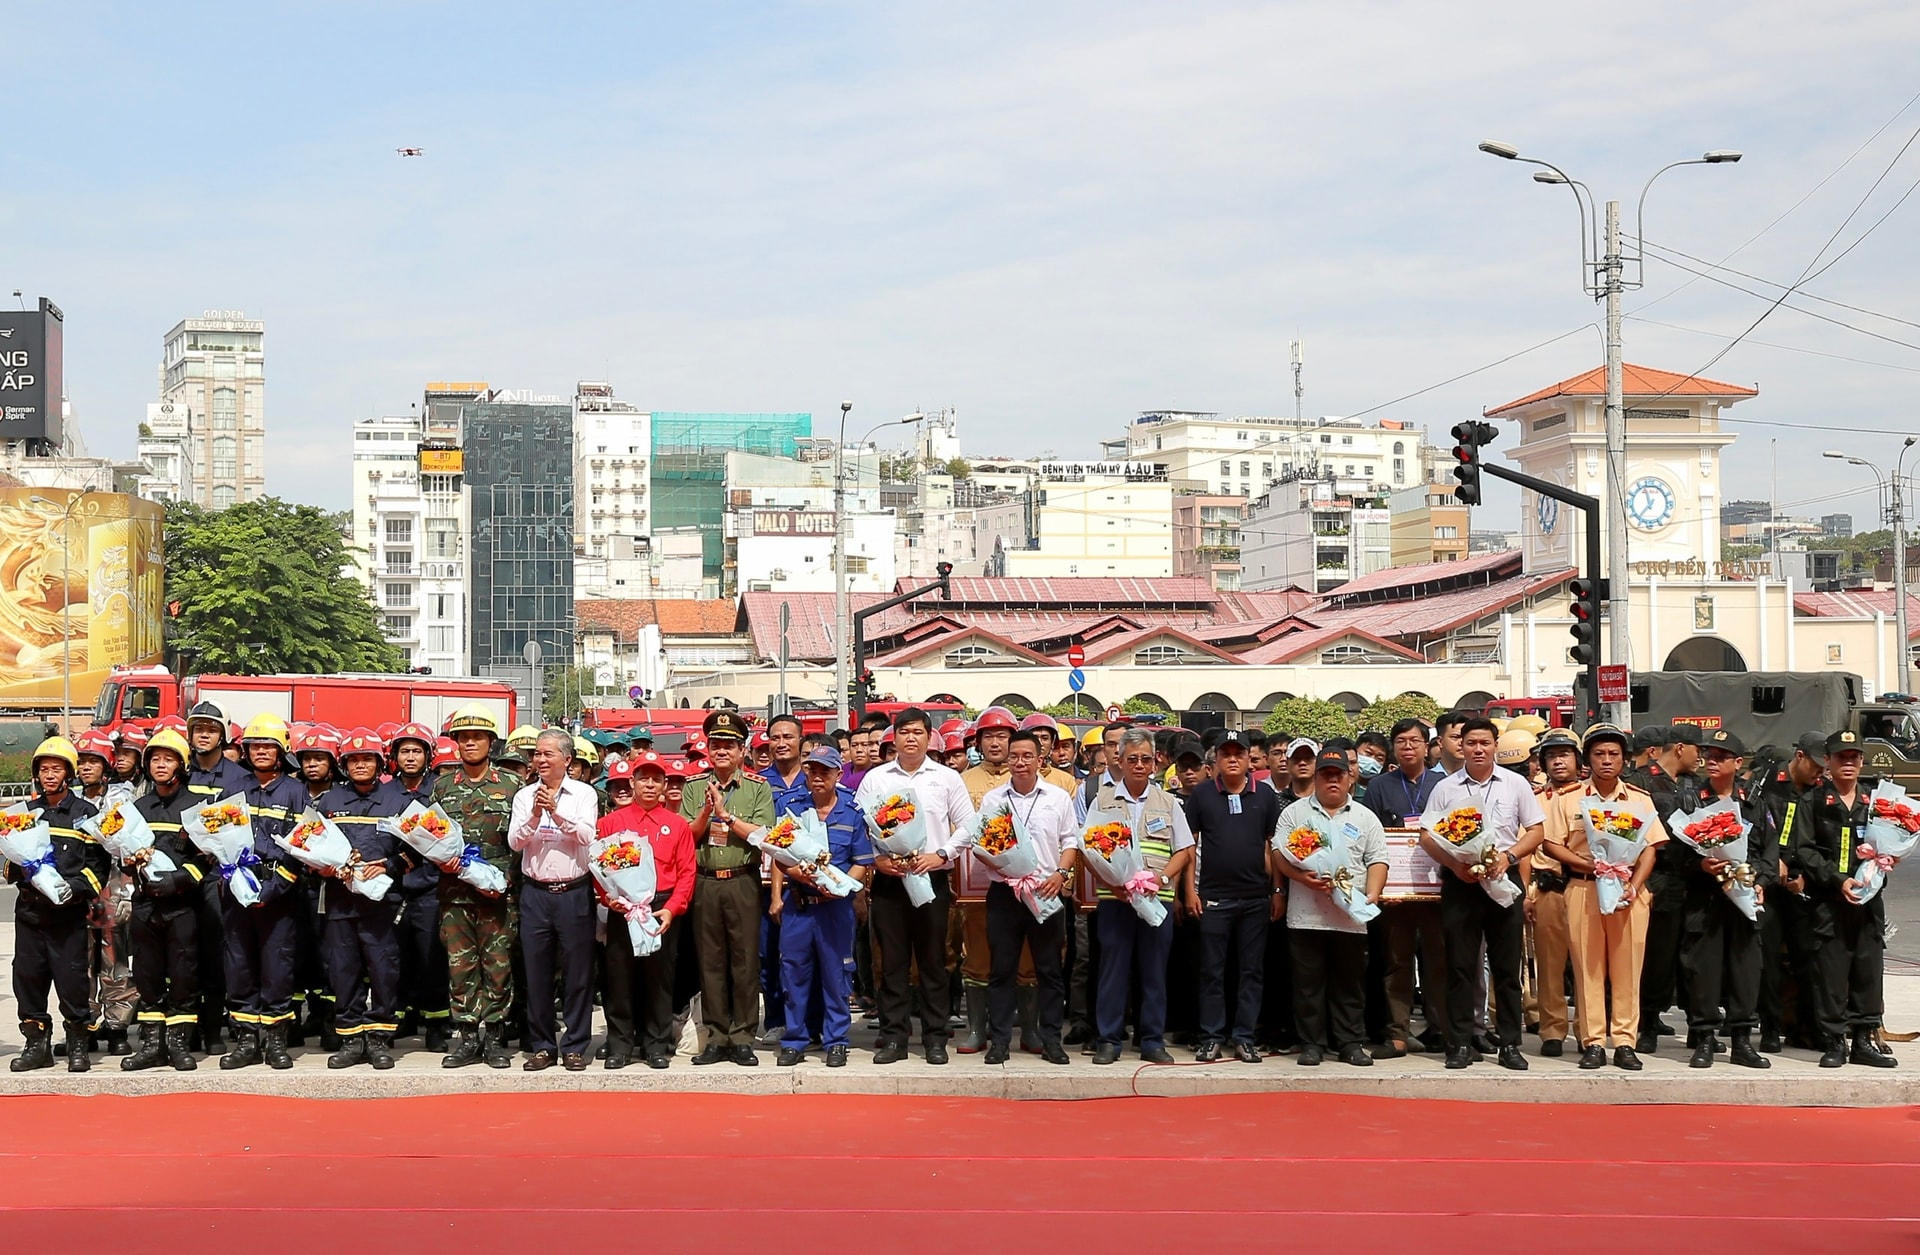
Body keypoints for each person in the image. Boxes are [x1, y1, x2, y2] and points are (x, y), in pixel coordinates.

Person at [1418, 716, 1543, 1071]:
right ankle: (1459, 1043)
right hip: (1462, 884)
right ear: (1461, 746)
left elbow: (1536, 831)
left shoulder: (1515, 784)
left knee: (1506, 967)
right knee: (1459, 966)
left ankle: (1509, 1043)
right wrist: (1454, 864)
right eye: (1470, 743)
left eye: (1484, 743)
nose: (1477, 749)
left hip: (1505, 880)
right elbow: (1427, 836)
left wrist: (1509, 857)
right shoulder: (1446, 788)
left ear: (1495, 747)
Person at [1540, 724, 1665, 1071]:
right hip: (1583, 888)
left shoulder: (1639, 799)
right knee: (1587, 967)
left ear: (1625, 759)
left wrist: (1635, 885)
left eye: (1614, 754)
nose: (1606, 760)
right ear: (1588, 760)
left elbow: (1651, 848)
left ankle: (1625, 1040)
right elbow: (1551, 842)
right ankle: (1593, 1041)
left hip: (1629, 891)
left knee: (1627, 968)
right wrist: (1589, 865)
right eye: (1599, 754)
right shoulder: (1570, 799)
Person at [856, 707, 976, 1065]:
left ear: (929, 738)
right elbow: (861, 825)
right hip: (890, 881)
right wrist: (877, 859)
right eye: (904, 732)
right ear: (894, 737)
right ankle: (894, 1036)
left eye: (918, 732)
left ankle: (935, 1038)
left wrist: (941, 854)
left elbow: (969, 826)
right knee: (891, 962)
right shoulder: (876, 779)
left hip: (931, 878)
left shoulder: (946, 778)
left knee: (932, 960)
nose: (911, 738)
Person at [1079, 726, 1194, 1066]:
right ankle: (1108, 1040)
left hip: (1156, 900)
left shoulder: (1168, 802)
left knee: (1154, 971)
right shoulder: (1102, 800)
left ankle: (1152, 1040)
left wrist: (1162, 878)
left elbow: (1185, 849)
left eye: (1146, 759)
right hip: (1115, 900)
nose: (1140, 765)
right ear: (1121, 760)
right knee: (1113, 971)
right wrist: (1110, 881)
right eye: (1133, 759)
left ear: (1155, 763)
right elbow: (1087, 849)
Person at [966, 729, 1077, 1065]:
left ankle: (1051, 1040)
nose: (1020, 762)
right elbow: (981, 844)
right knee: (1002, 970)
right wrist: (996, 860)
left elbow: (1070, 841)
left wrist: (1061, 874)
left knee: (1049, 970)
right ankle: (999, 1041)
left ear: (1040, 759)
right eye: (1014, 756)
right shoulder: (994, 799)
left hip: (1045, 890)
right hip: (1005, 892)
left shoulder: (1057, 798)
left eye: (1027, 756)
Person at [1789, 729, 1897, 1068]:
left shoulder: (1876, 803)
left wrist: (1887, 860)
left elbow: (1893, 839)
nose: (1847, 763)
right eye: (1840, 757)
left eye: (1854, 757)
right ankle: (1835, 1041)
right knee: (1831, 973)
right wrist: (1838, 880)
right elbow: (1803, 849)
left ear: (1862, 762)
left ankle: (1864, 1038)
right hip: (1830, 900)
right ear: (1828, 761)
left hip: (1868, 902)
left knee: (1868, 968)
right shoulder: (1813, 801)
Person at [1276, 748, 1389, 1066]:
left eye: (1338, 774)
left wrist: (1373, 893)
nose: (1333, 780)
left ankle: (1350, 1042)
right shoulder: (1296, 814)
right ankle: (1311, 1043)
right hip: (1305, 915)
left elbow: (1378, 859)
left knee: (1349, 984)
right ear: (1316, 777)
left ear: (1350, 778)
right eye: (1326, 774)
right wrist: (1303, 877)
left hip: (1351, 915)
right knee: (1308, 984)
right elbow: (1278, 855)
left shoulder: (1365, 817)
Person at [680, 710, 776, 1065]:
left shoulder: (756, 788)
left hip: (743, 880)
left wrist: (727, 816)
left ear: (741, 750)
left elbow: (765, 835)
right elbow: (686, 837)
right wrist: (707, 811)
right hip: (706, 882)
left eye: (729, 745)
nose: (721, 751)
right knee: (711, 961)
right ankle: (717, 1036)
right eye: (715, 744)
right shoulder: (694, 787)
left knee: (745, 960)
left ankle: (743, 1036)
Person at [1673, 729, 1772, 1069]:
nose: (1711, 761)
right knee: (1704, 971)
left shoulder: (1754, 801)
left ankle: (1742, 1040)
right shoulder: (1690, 800)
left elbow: (1768, 851)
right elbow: (1674, 854)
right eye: (1708, 755)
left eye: (1721, 756)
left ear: (1738, 762)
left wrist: (1757, 877)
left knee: (1745, 970)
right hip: (1706, 899)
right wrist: (1699, 863)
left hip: (1743, 899)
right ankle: (1703, 1038)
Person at [1183, 729, 1283, 1063]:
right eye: (1226, 754)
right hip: (1213, 898)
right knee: (1212, 970)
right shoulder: (1201, 796)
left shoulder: (1265, 796)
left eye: (1239, 754)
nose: (1233, 759)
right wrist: (1189, 891)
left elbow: (1274, 847)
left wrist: (1278, 891)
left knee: (1251, 971)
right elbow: (1189, 846)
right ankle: (1211, 1036)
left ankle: (1244, 1037)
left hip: (1256, 898)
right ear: (1216, 761)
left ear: (1249, 758)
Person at [6, 737, 106, 1072]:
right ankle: (36, 1044)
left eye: (57, 768)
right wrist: (24, 869)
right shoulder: (25, 814)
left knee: (72, 979)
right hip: (30, 913)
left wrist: (74, 890)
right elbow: (6, 864)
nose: (50, 775)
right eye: (44, 769)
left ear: (69, 773)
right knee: (28, 977)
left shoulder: (85, 814)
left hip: (68, 916)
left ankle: (78, 1043)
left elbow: (99, 868)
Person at [217, 715, 309, 1071]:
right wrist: (231, 875)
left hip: (279, 893)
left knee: (277, 967)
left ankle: (275, 1040)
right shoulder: (233, 789)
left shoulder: (295, 791)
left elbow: (303, 845)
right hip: (237, 889)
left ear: (281, 751)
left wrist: (275, 887)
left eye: (268, 746)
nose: (260, 752)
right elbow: (217, 834)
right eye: (254, 746)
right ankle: (245, 1040)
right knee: (239, 965)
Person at [771, 746, 872, 1067]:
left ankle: (837, 1040)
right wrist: (792, 873)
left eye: (825, 771)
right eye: (812, 770)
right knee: (794, 974)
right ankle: (796, 1039)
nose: (817, 777)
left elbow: (861, 862)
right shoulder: (791, 809)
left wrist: (842, 886)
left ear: (838, 775)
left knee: (836, 974)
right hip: (799, 905)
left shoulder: (852, 813)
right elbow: (779, 853)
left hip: (835, 908)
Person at [433, 704, 521, 1070]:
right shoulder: (441, 786)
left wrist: (506, 880)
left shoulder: (512, 785)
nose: (470, 743)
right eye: (463, 738)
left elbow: (522, 842)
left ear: (490, 742)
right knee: (461, 968)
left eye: (477, 737)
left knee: (498, 967)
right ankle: (468, 1037)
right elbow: (429, 835)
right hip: (455, 895)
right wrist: (440, 860)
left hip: (498, 895)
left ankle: (496, 1037)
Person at [510, 728, 602, 1071]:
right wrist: (536, 814)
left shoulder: (583, 794)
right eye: (537, 754)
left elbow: (586, 837)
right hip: (535, 893)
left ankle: (576, 1045)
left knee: (578, 975)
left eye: (548, 754)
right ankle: (543, 1046)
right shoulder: (524, 797)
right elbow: (515, 843)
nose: (540, 760)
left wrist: (557, 813)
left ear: (567, 759)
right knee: (537, 974)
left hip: (573, 893)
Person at [318, 728, 406, 1070]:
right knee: (344, 972)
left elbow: (416, 852)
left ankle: (380, 1037)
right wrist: (323, 869)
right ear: (344, 764)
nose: (359, 765)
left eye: (366, 758)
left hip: (381, 905)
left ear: (379, 763)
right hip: (340, 903)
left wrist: (389, 865)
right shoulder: (330, 801)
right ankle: (352, 1039)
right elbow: (313, 847)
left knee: (384, 971)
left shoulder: (398, 802)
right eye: (353, 760)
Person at [600, 752, 695, 1070]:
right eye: (644, 778)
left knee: (660, 978)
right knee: (620, 979)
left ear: (666, 785)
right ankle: (620, 1045)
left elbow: (686, 872)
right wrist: (608, 898)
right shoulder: (612, 823)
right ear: (632, 782)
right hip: (623, 908)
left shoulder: (677, 825)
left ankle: (656, 1044)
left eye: (657, 779)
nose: (650, 785)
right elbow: (599, 867)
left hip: (660, 908)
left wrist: (671, 909)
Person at [1360, 718, 1448, 1058]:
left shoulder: (1444, 784)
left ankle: (1440, 1028)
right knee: (1396, 964)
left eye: (1414, 741)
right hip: (1395, 894)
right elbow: (1371, 836)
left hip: (1437, 890)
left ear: (1427, 746)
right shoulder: (1380, 786)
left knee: (1438, 962)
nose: (1407, 747)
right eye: (1400, 742)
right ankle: (1397, 1034)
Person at [121, 729, 203, 1071]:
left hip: (182, 905)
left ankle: (178, 1044)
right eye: (154, 758)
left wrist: (180, 880)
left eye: (168, 759)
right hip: (145, 905)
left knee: (184, 975)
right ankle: (151, 1045)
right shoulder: (136, 808)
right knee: (147, 975)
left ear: (181, 765)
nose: (160, 764)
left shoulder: (197, 807)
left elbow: (208, 858)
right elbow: (120, 853)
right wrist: (128, 861)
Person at [184, 699, 253, 1055]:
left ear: (222, 736)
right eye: (198, 729)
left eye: (211, 730)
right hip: (181, 878)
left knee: (216, 954)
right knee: (184, 954)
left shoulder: (239, 778)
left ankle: (213, 1028)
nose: (204, 735)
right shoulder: (180, 772)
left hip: (219, 878)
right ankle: (185, 1027)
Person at [1752, 731, 1827, 1050]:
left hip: (1802, 886)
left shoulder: (1820, 791)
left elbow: (1824, 840)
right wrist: (1772, 865)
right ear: (1800, 757)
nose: (1820, 773)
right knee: (1767, 959)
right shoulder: (1768, 781)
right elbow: (1751, 830)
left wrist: (1806, 878)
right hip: (1768, 885)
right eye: (1816, 765)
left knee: (1807, 958)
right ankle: (1770, 1025)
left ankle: (1807, 1027)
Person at [385, 722, 450, 1052]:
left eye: (416, 751)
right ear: (394, 756)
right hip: (393, 889)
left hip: (430, 888)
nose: (410, 757)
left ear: (428, 756)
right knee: (397, 958)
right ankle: (401, 1017)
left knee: (431, 959)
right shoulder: (384, 793)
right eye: (404, 751)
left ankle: (436, 1024)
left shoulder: (440, 790)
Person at [957, 705, 1019, 1054]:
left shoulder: (1033, 779)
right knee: (977, 955)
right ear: (977, 742)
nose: (996, 743)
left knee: (1026, 958)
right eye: (989, 736)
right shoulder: (963, 781)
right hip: (977, 884)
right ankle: (977, 1029)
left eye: (1002, 735)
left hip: (1027, 885)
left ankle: (1029, 1027)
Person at [1527, 728, 1583, 1057]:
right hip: (1547, 887)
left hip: (1584, 885)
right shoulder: (1533, 801)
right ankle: (1552, 1029)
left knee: (1587, 965)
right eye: (1551, 755)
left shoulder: (1591, 796)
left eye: (1564, 754)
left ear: (1578, 758)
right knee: (1549, 965)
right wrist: (1526, 894)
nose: (1558, 760)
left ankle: (1589, 1030)